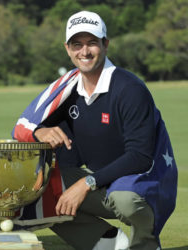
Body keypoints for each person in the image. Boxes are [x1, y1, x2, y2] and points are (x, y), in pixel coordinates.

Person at [12, 10, 177, 250]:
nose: (85, 52)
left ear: (105, 44)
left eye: (92, 43)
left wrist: (87, 183)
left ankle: (146, 244)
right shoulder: (67, 90)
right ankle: (108, 242)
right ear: (67, 49)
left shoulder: (129, 88)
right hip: (103, 183)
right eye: (77, 44)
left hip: (142, 182)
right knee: (37, 184)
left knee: (125, 199)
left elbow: (140, 157)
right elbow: (26, 125)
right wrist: (40, 132)